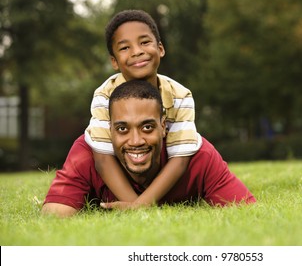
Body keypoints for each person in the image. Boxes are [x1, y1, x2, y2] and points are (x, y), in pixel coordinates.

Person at [42, 80, 256, 217]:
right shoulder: (87, 153)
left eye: (147, 127)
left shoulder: (198, 156)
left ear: (164, 127)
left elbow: (250, 215)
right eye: (122, 128)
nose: (136, 140)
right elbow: (53, 217)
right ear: (109, 130)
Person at [84, 9, 202, 207]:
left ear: (161, 48)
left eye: (145, 42)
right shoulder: (104, 95)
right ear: (114, 61)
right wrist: (135, 206)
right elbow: (103, 159)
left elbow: (180, 159)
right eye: (124, 48)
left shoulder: (181, 96)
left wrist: (140, 206)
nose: (137, 51)